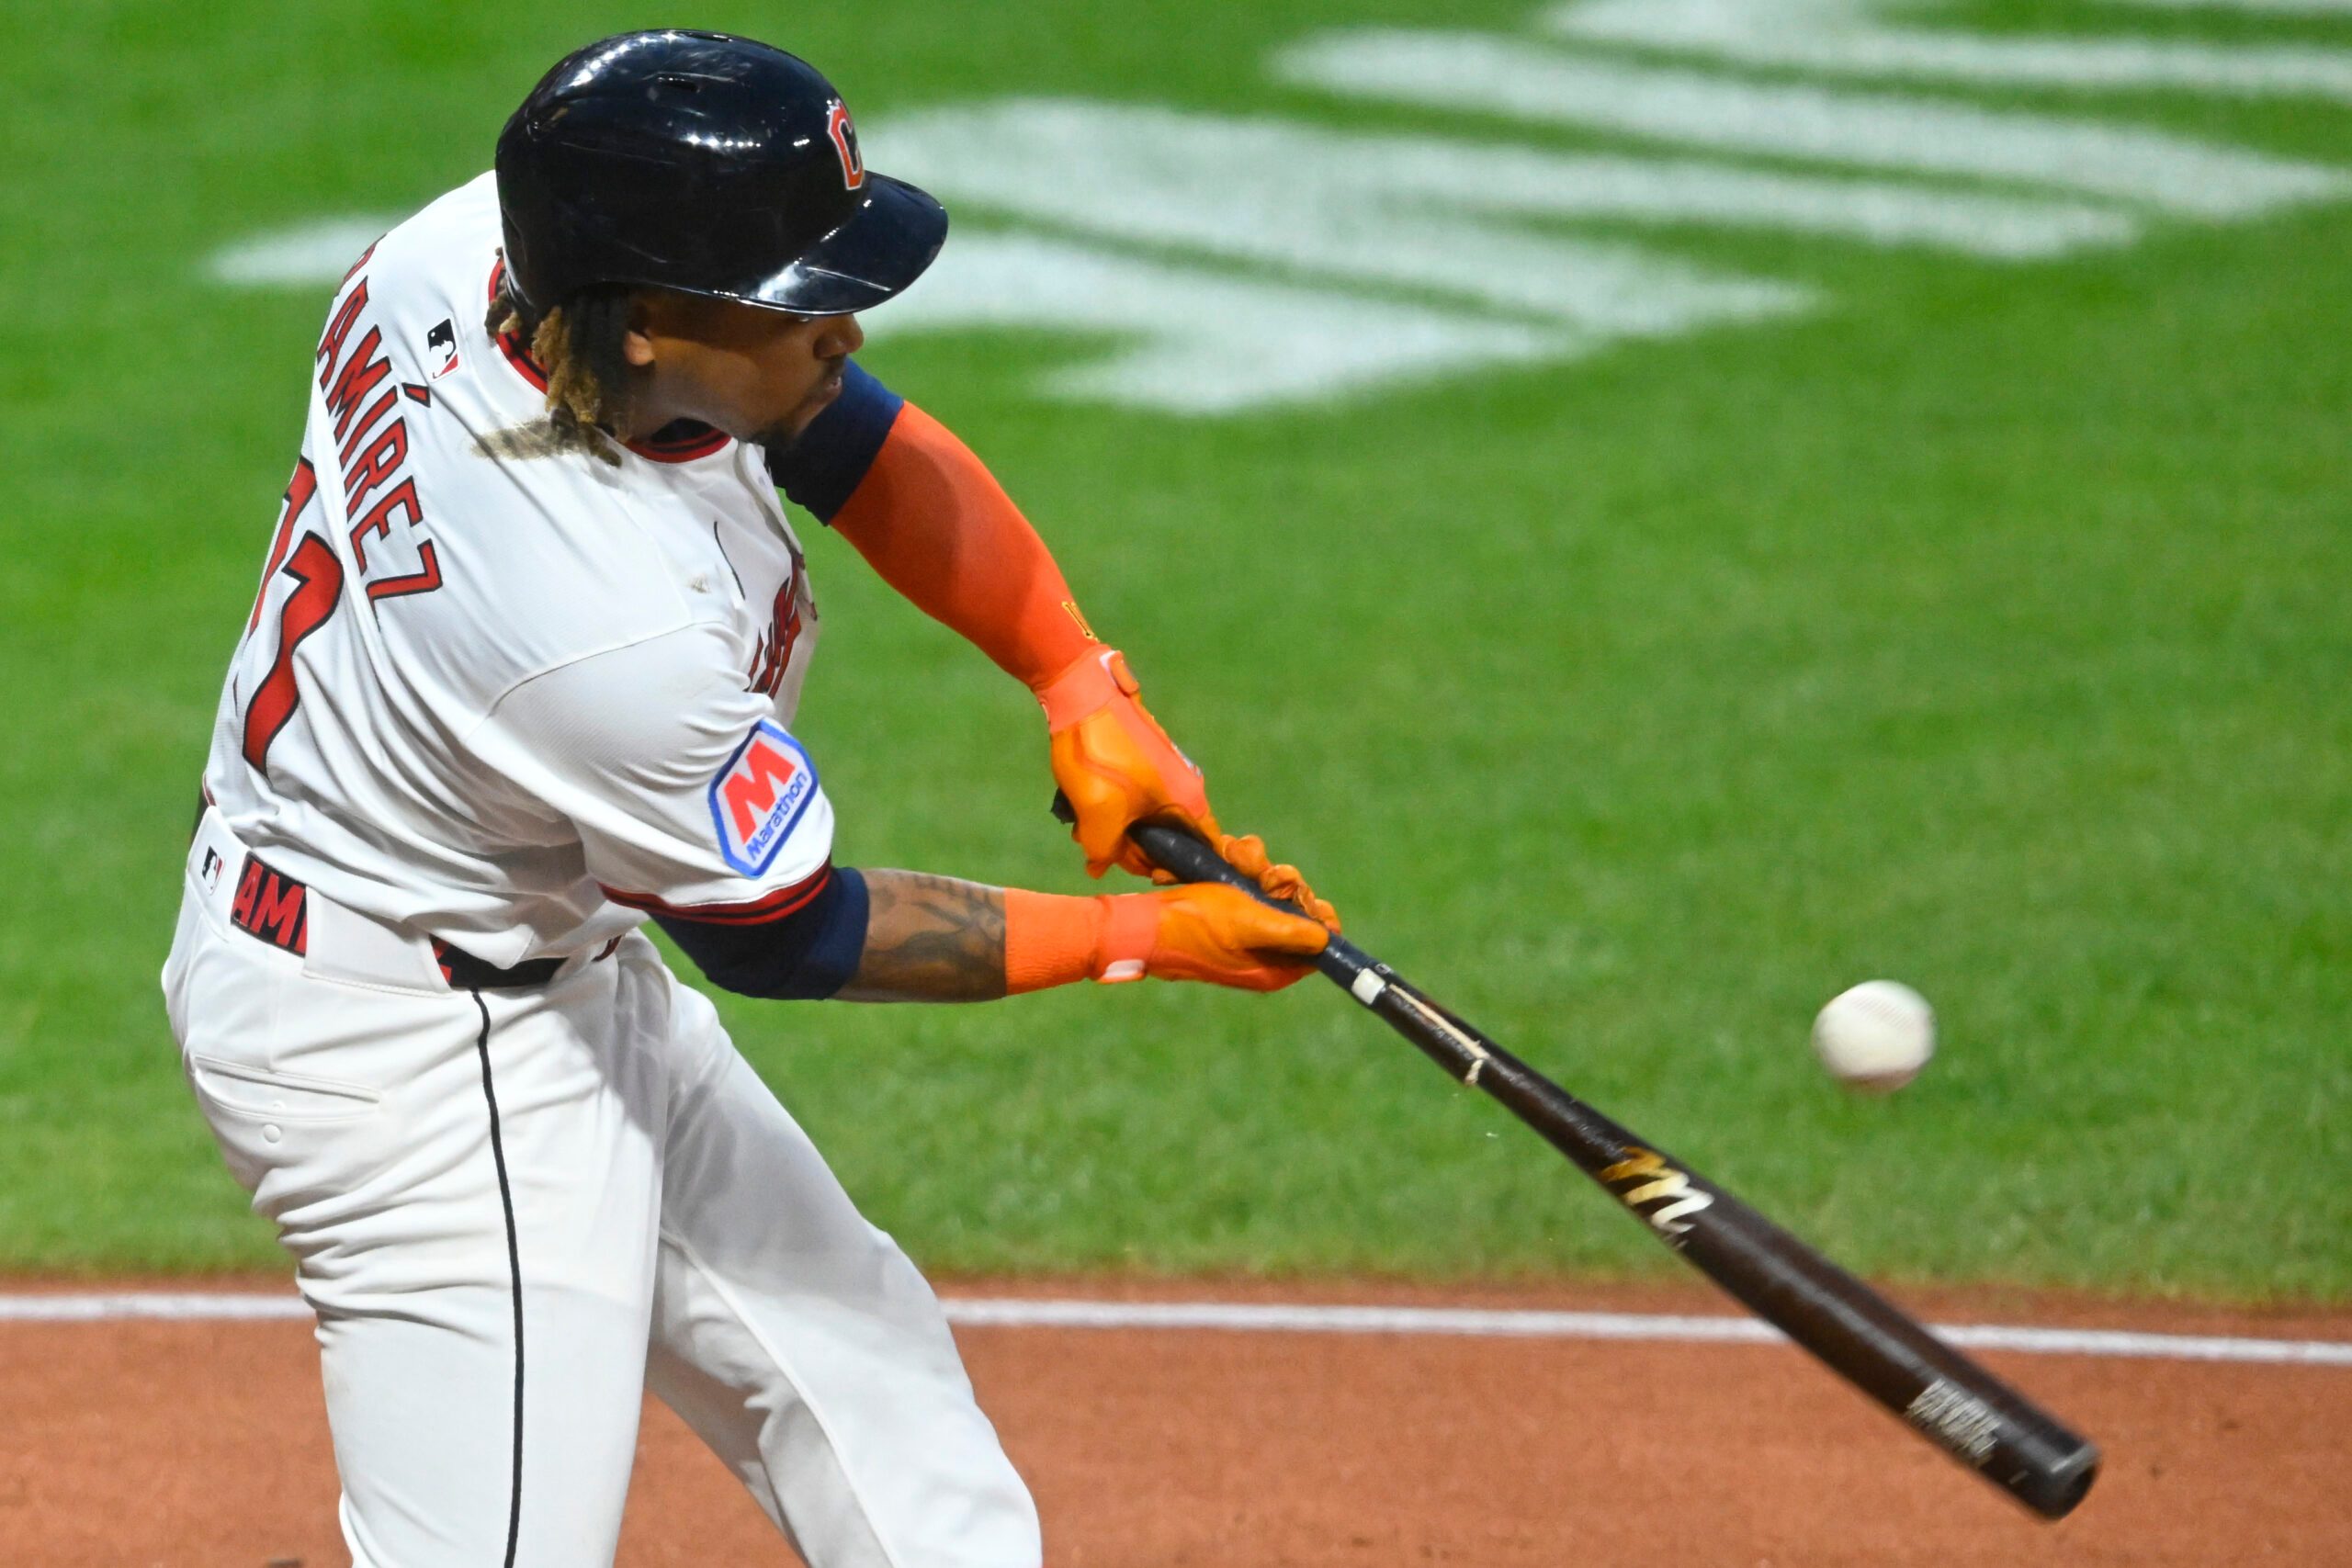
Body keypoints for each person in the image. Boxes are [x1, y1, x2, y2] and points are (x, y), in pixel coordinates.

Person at [162, 28, 1337, 1568]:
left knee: (877, 1406)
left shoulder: (489, 256)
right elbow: (786, 932)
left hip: (519, 941)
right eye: (800, 297)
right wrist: (1147, 935)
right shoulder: (596, 626)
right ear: (648, 318)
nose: (844, 322)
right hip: (416, 1054)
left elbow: (843, 437)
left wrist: (1077, 681)